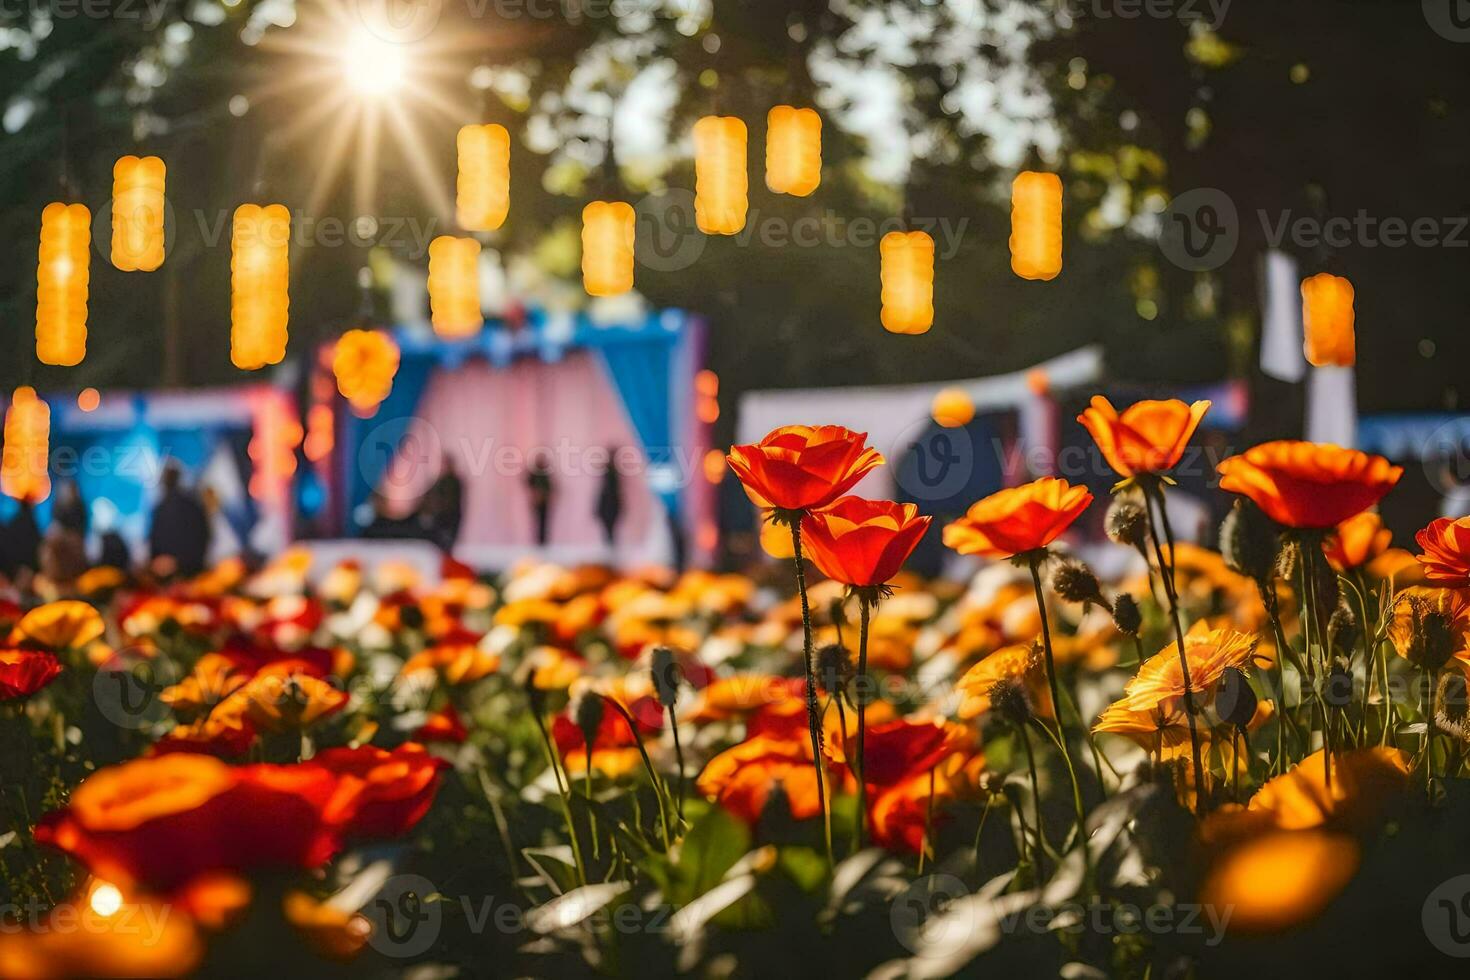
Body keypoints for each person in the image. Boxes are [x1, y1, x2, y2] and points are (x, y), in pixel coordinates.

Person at [148, 462, 211, 577]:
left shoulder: (160, 508)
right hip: (191, 570)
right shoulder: (194, 505)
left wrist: (170, 562)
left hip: (181, 573)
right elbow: (205, 535)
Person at [422, 457, 465, 552]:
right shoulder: (439, 481)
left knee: (448, 542)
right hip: (443, 517)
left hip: (451, 516)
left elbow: (453, 500)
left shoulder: (453, 481)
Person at [596, 447, 623, 551]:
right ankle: (610, 545)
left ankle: (610, 545)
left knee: (610, 527)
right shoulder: (610, 472)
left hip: (611, 502)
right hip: (609, 502)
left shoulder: (611, 472)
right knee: (609, 527)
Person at [527, 455, 554, 547]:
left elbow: (549, 486)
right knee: (537, 522)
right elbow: (529, 484)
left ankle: (543, 541)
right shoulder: (534, 474)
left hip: (544, 501)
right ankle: (538, 541)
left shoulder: (545, 474)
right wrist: (536, 493)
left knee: (544, 522)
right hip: (537, 501)